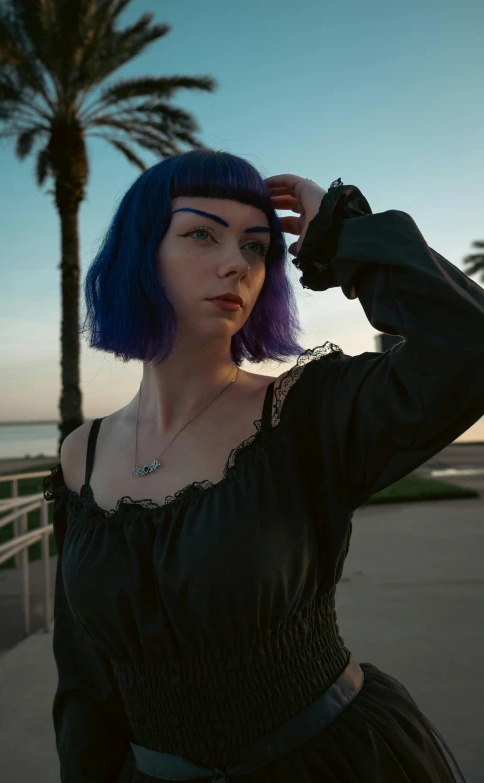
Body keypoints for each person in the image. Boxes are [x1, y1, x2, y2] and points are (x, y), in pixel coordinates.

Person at [43, 148, 483, 782]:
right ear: (142, 253)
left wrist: (340, 227)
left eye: (256, 247)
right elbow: (83, 678)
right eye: (201, 234)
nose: (236, 264)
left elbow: (469, 347)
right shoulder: (80, 454)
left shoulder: (307, 416)